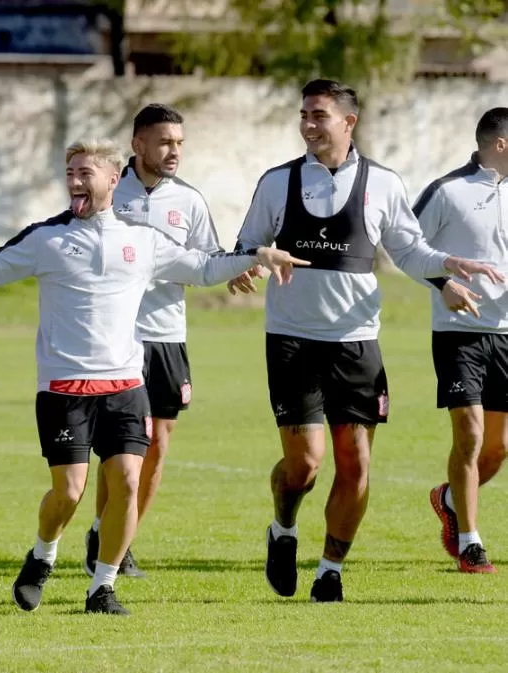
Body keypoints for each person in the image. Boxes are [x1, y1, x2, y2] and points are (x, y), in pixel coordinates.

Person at [0, 137, 310, 615]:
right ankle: (43, 554)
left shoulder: (141, 240)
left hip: (126, 385)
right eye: (70, 174)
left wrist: (258, 256)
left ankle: (102, 587)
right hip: (64, 388)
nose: (75, 182)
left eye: (85, 173)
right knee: (71, 490)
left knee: (125, 479)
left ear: (110, 180)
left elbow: (204, 267)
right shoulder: (46, 238)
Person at [231, 78, 504, 603]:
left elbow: (410, 251)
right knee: (305, 465)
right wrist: (248, 267)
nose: (309, 124)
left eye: (320, 115)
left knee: (355, 463)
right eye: (305, 114)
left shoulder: (383, 183)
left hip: (356, 343)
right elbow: (249, 244)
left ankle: (330, 571)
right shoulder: (276, 182)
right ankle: (283, 527)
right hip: (292, 338)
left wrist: (446, 272)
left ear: (348, 122)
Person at [83, 103, 238, 579]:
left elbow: (209, 258)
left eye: (180, 143)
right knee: (119, 448)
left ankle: (115, 539)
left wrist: (236, 271)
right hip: (115, 337)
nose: (174, 151)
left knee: (156, 448)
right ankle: (105, 535)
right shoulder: (108, 189)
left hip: (167, 338)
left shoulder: (189, 201)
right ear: (138, 145)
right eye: (165, 142)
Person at [417, 107, 508, 574]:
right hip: (459, 334)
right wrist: (443, 285)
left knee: (498, 448)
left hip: (506, 334)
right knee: (470, 434)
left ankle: (449, 498)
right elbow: (406, 246)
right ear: (501, 144)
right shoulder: (447, 190)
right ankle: (471, 544)